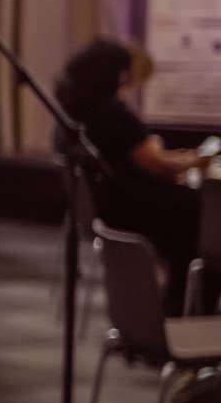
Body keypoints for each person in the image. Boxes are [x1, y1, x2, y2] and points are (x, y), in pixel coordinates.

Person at [57, 38, 209, 310]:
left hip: (105, 207)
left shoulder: (71, 115)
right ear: (115, 74)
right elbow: (158, 164)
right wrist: (197, 160)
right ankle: (185, 306)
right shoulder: (112, 113)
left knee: (193, 213)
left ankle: (181, 301)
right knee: (205, 217)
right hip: (129, 208)